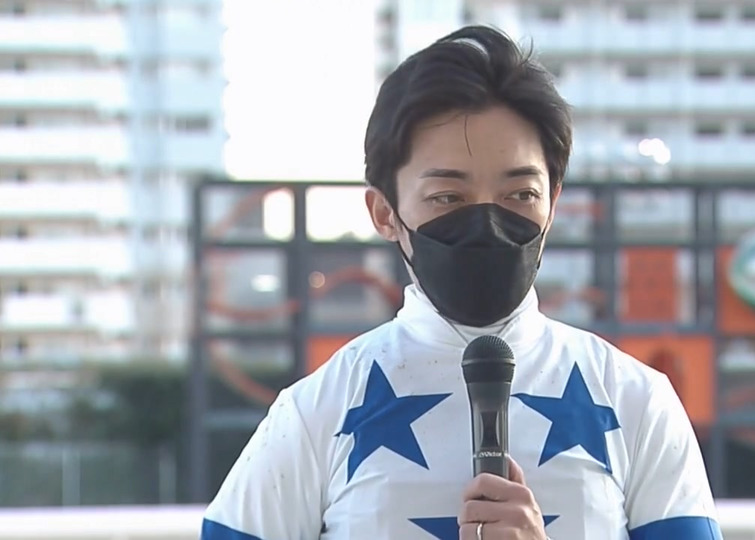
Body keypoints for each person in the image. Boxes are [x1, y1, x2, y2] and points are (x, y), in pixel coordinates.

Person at [202, 25, 722, 540]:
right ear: (384, 212)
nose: (487, 222)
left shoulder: (636, 401)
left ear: (553, 202)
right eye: (447, 198)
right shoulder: (316, 411)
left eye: (520, 195)